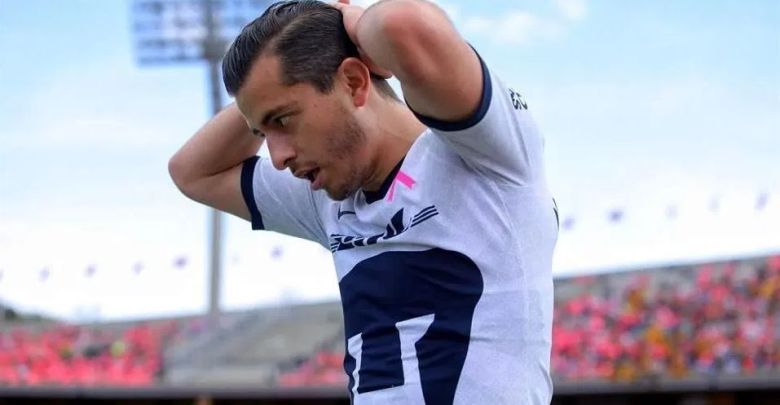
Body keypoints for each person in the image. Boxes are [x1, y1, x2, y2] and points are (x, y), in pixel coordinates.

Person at [168, 0, 559, 403]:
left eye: (282, 120)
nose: (278, 157)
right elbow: (191, 171)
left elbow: (402, 24)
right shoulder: (327, 197)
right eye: (261, 133)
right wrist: (261, 96)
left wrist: (343, 19)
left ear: (355, 82)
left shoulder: (486, 157)